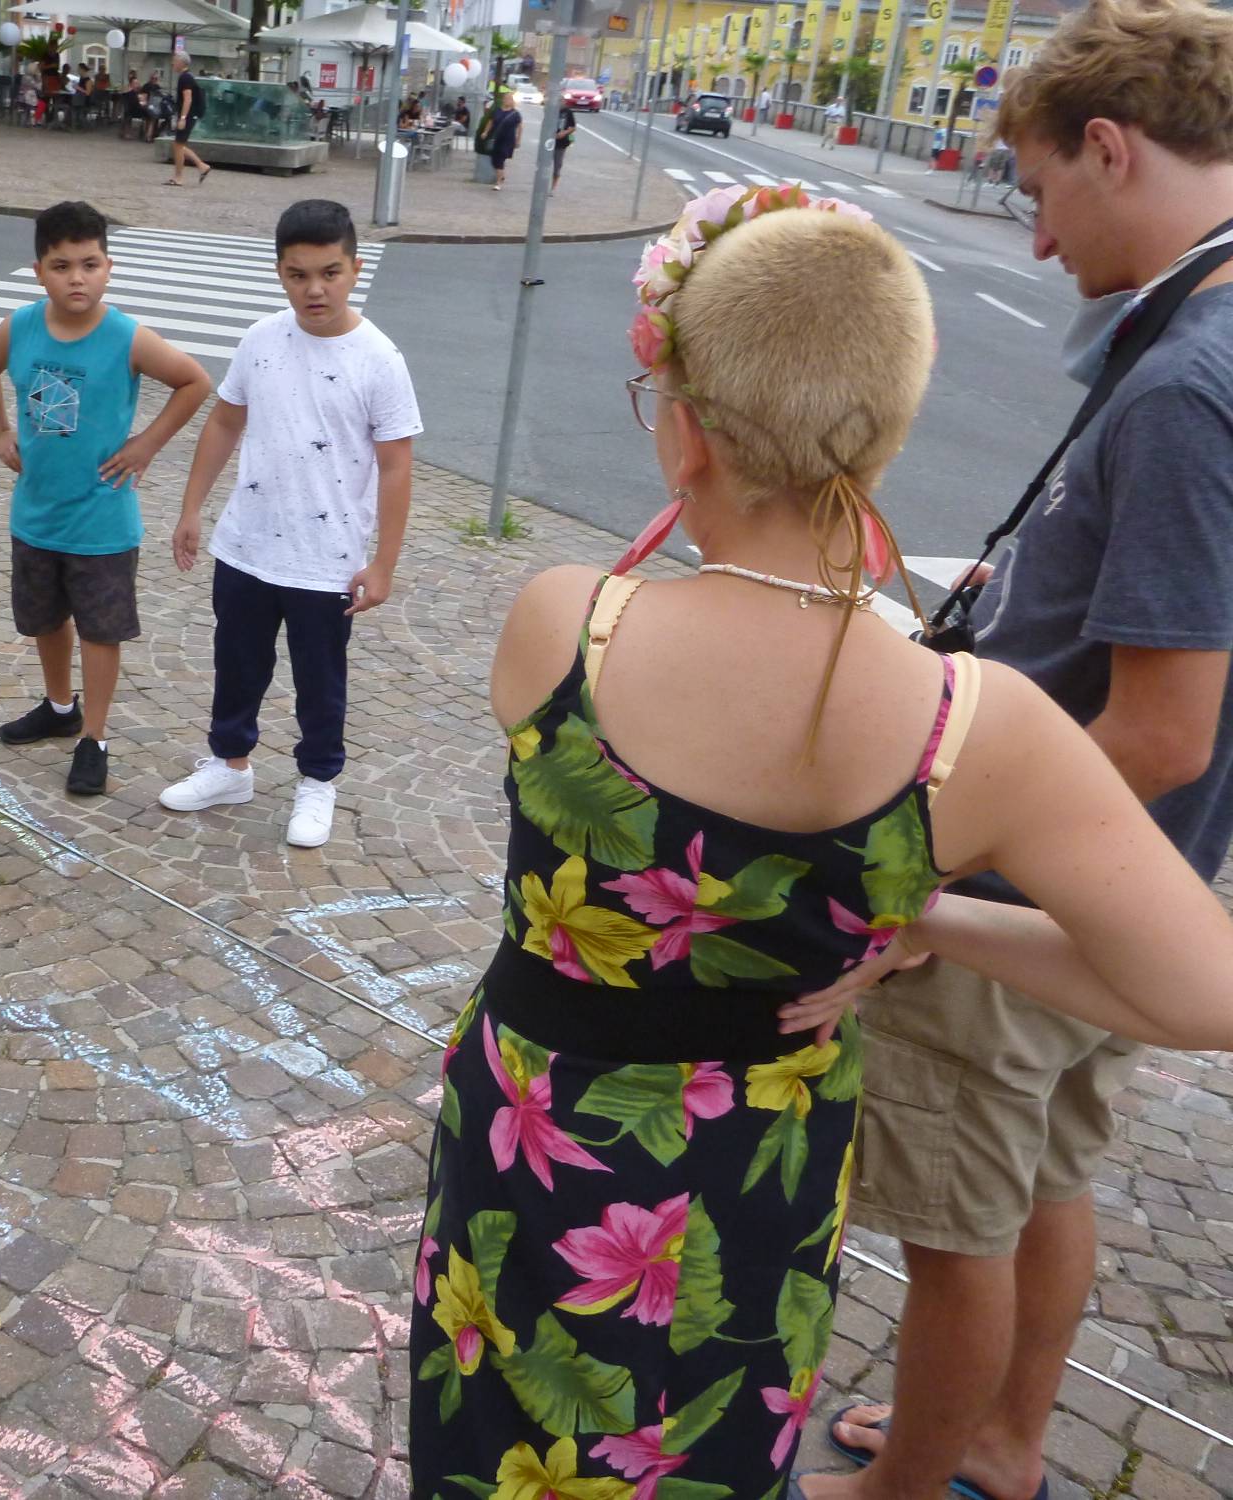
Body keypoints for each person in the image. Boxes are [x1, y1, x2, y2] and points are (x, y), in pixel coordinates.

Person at [407, 179, 1233, 1500]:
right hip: (755, 1173)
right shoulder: (973, 726)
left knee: (494, 1437)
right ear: (889, 435)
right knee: (711, 1443)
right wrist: (934, 918)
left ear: (685, 434)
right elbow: (1206, 995)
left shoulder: (564, 624)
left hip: (532, 1138)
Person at [815, 3, 1233, 1499]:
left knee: (956, 1222)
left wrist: (938, 869)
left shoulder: (1190, 380)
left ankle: (906, 1483)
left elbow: (1163, 729)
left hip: (1037, 889)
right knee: (1049, 1177)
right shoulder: (1203, 331)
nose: (1040, 242)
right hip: (1118, 885)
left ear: (1110, 150)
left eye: (1043, 194)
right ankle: (1004, 1437)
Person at [163, 200, 421, 848]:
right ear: (279, 272)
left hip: (326, 558)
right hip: (247, 545)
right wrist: (193, 508)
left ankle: (317, 782)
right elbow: (225, 420)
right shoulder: (260, 339)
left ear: (355, 268)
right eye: (298, 274)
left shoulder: (379, 359)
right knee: (237, 665)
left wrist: (383, 562)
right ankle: (229, 765)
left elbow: (395, 465)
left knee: (320, 681)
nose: (314, 289)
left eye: (330, 272)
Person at [0, 202, 212, 797]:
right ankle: (59, 707)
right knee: (45, 619)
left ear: (109, 267)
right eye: (61, 265)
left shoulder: (125, 336)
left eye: (89, 264)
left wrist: (146, 444)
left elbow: (194, 382)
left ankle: (94, 737)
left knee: (100, 630)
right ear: (38, 271)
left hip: (101, 520)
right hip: (36, 513)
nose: (76, 278)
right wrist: (0, 431)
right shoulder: (21, 326)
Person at [165, 53, 210, 186]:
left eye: (174, 61)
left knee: (178, 146)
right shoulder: (187, 76)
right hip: (190, 115)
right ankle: (202, 166)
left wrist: (183, 118)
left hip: (188, 116)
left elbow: (188, 99)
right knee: (178, 145)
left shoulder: (185, 78)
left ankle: (179, 177)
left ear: (181, 62)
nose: (173, 64)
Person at [488, 94, 522, 190]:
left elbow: (520, 127)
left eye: (509, 99)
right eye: (505, 99)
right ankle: (501, 175)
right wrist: (485, 132)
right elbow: (491, 122)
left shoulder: (515, 114)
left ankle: (498, 183)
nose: (507, 101)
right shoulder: (497, 111)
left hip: (508, 140)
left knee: (500, 159)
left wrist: (518, 139)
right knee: (494, 160)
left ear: (512, 101)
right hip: (497, 138)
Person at [549, 101, 577, 196]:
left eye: (561, 101)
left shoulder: (568, 112)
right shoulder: (551, 110)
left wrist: (564, 133)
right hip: (548, 141)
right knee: (543, 164)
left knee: (557, 166)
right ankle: (543, 185)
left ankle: (552, 188)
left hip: (561, 143)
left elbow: (573, 127)